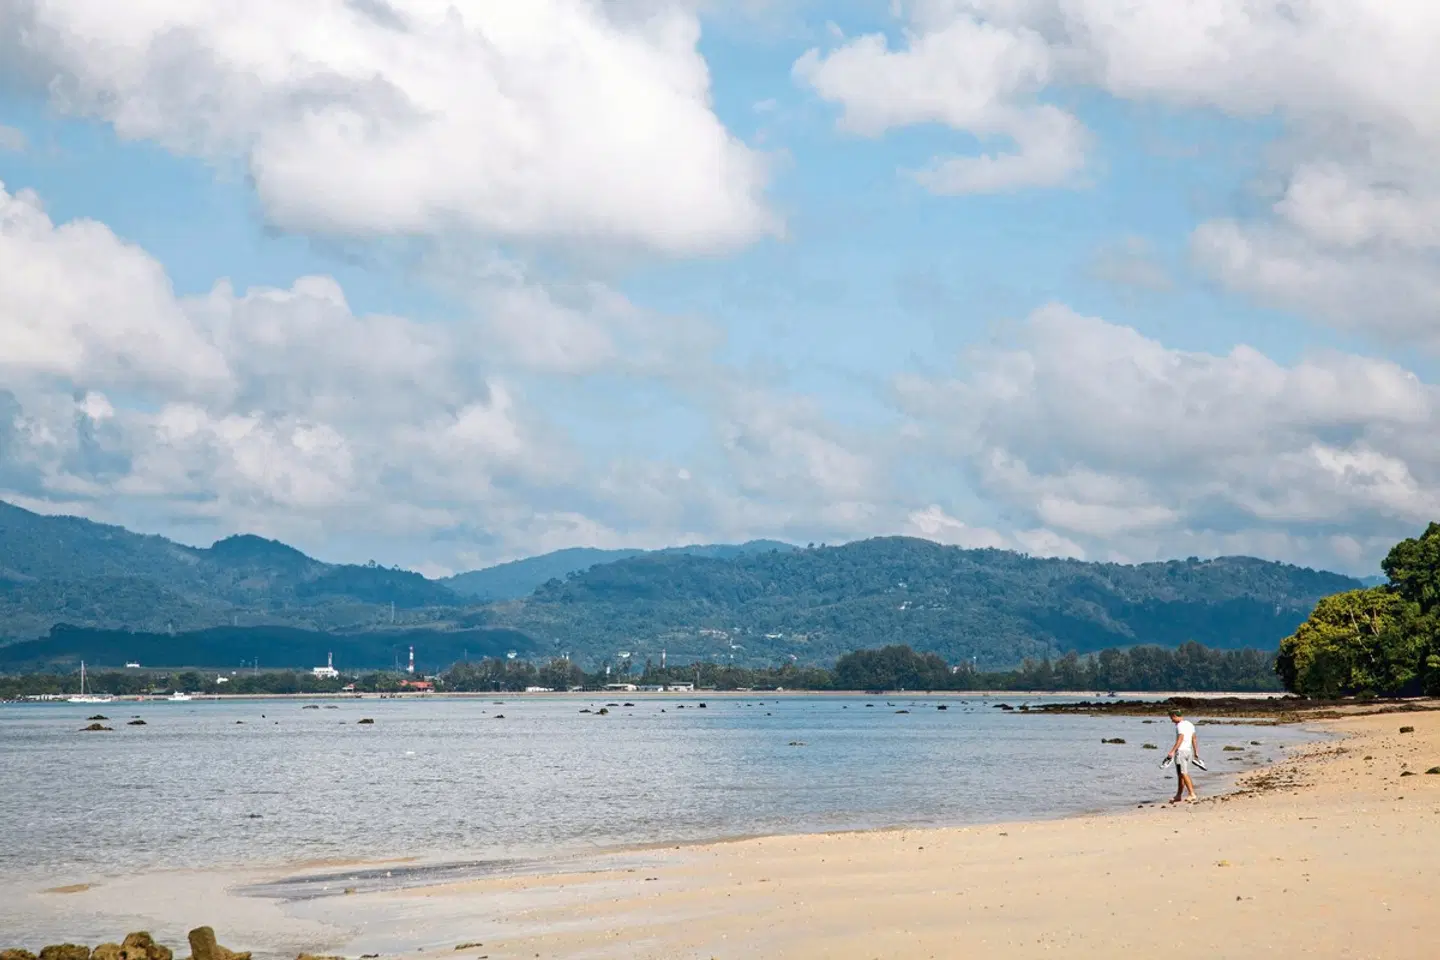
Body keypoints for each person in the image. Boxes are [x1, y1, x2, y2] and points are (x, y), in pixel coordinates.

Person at [1166, 710, 1200, 803]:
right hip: (1189, 751)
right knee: (1180, 775)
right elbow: (1194, 738)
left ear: (1174, 716)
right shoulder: (1189, 724)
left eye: (1171, 718)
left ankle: (1192, 794)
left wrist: (1172, 751)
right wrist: (1196, 751)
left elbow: (1180, 738)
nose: (1171, 720)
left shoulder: (1180, 725)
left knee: (1183, 773)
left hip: (1181, 751)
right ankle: (1178, 796)